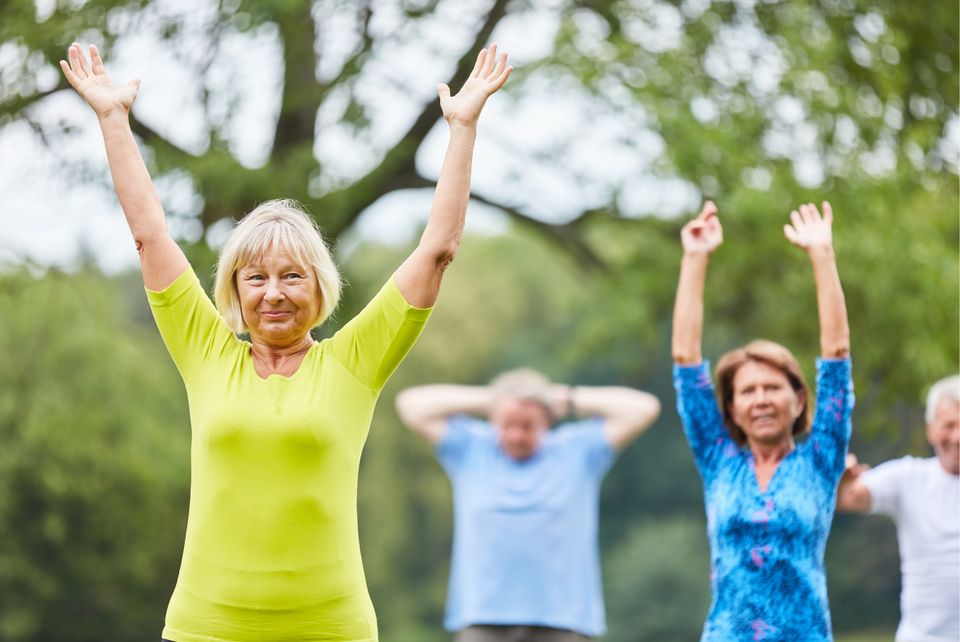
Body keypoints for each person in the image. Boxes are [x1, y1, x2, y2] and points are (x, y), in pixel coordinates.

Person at [59, 41, 511, 642]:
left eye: (292, 276)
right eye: (257, 278)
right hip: (206, 626)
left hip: (331, 626)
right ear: (236, 290)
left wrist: (462, 128)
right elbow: (149, 235)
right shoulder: (206, 353)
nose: (274, 293)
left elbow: (438, 251)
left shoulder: (355, 362)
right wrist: (113, 119)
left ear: (318, 287)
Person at [671, 200, 854, 641]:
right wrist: (695, 259)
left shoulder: (821, 458)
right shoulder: (719, 460)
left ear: (797, 399)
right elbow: (685, 362)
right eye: (748, 391)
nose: (761, 400)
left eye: (773, 388)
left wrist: (821, 254)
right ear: (731, 408)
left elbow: (837, 357)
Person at [395, 368, 661, 642]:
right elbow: (411, 404)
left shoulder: (578, 451)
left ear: (547, 421)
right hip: (483, 619)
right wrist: (498, 398)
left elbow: (644, 408)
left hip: (563, 621)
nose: (516, 435)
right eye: (507, 424)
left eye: (527, 425)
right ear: (493, 419)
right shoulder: (470, 449)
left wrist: (565, 398)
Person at [836, 375, 959, 642]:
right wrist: (841, 478)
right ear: (930, 430)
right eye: (949, 425)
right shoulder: (908, 477)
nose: (957, 436)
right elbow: (850, 497)